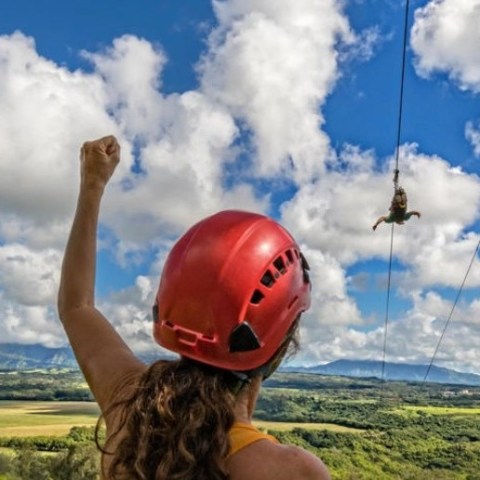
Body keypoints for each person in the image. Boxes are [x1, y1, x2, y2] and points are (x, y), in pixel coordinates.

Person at [57, 135, 331, 480]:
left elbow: (76, 306)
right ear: (279, 345)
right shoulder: (292, 471)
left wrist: (92, 184)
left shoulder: (129, 403)